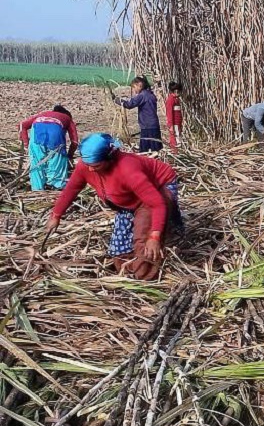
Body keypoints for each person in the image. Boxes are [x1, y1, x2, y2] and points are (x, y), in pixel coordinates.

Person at [46, 133, 184, 280]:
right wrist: (56, 215)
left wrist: (155, 236)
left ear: (109, 158)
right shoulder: (85, 166)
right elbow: (71, 189)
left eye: (96, 166)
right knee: (119, 248)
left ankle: (143, 276)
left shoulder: (128, 170)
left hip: (157, 188)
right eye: (88, 165)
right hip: (129, 197)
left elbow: (157, 204)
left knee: (144, 236)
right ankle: (127, 271)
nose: (90, 170)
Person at [18, 105, 79, 191]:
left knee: (36, 164)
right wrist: (69, 156)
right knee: (57, 162)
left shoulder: (42, 114)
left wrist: (26, 144)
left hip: (36, 137)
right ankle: (57, 187)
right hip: (55, 136)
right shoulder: (67, 118)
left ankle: (37, 189)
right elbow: (75, 142)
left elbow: (22, 125)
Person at [115, 76, 161, 152]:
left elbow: (129, 104)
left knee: (145, 150)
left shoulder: (142, 96)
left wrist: (116, 100)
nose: (133, 89)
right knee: (155, 149)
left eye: (133, 87)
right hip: (154, 125)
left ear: (139, 85)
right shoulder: (151, 94)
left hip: (147, 126)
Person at [165, 81, 185, 151]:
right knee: (175, 139)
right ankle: (175, 152)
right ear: (176, 91)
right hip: (174, 124)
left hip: (178, 123)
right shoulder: (170, 100)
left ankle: (177, 151)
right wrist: (171, 125)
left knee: (178, 137)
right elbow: (169, 113)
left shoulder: (176, 100)